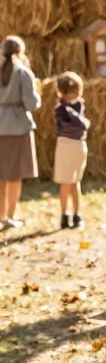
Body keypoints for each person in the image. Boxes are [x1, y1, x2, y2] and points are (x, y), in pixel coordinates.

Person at [0, 36, 40, 229]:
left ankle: (0, 217)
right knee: (14, 175)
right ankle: (10, 216)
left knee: (1, 175)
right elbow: (32, 104)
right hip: (17, 126)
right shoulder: (23, 72)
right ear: (20, 51)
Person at [54, 71, 90, 230]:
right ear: (62, 93)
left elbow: (82, 123)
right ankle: (64, 214)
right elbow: (80, 123)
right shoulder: (61, 109)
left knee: (75, 182)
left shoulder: (79, 105)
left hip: (78, 145)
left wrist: (81, 121)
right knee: (65, 182)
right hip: (65, 144)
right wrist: (81, 121)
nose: (74, 96)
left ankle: (77, 214)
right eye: (70, 93)